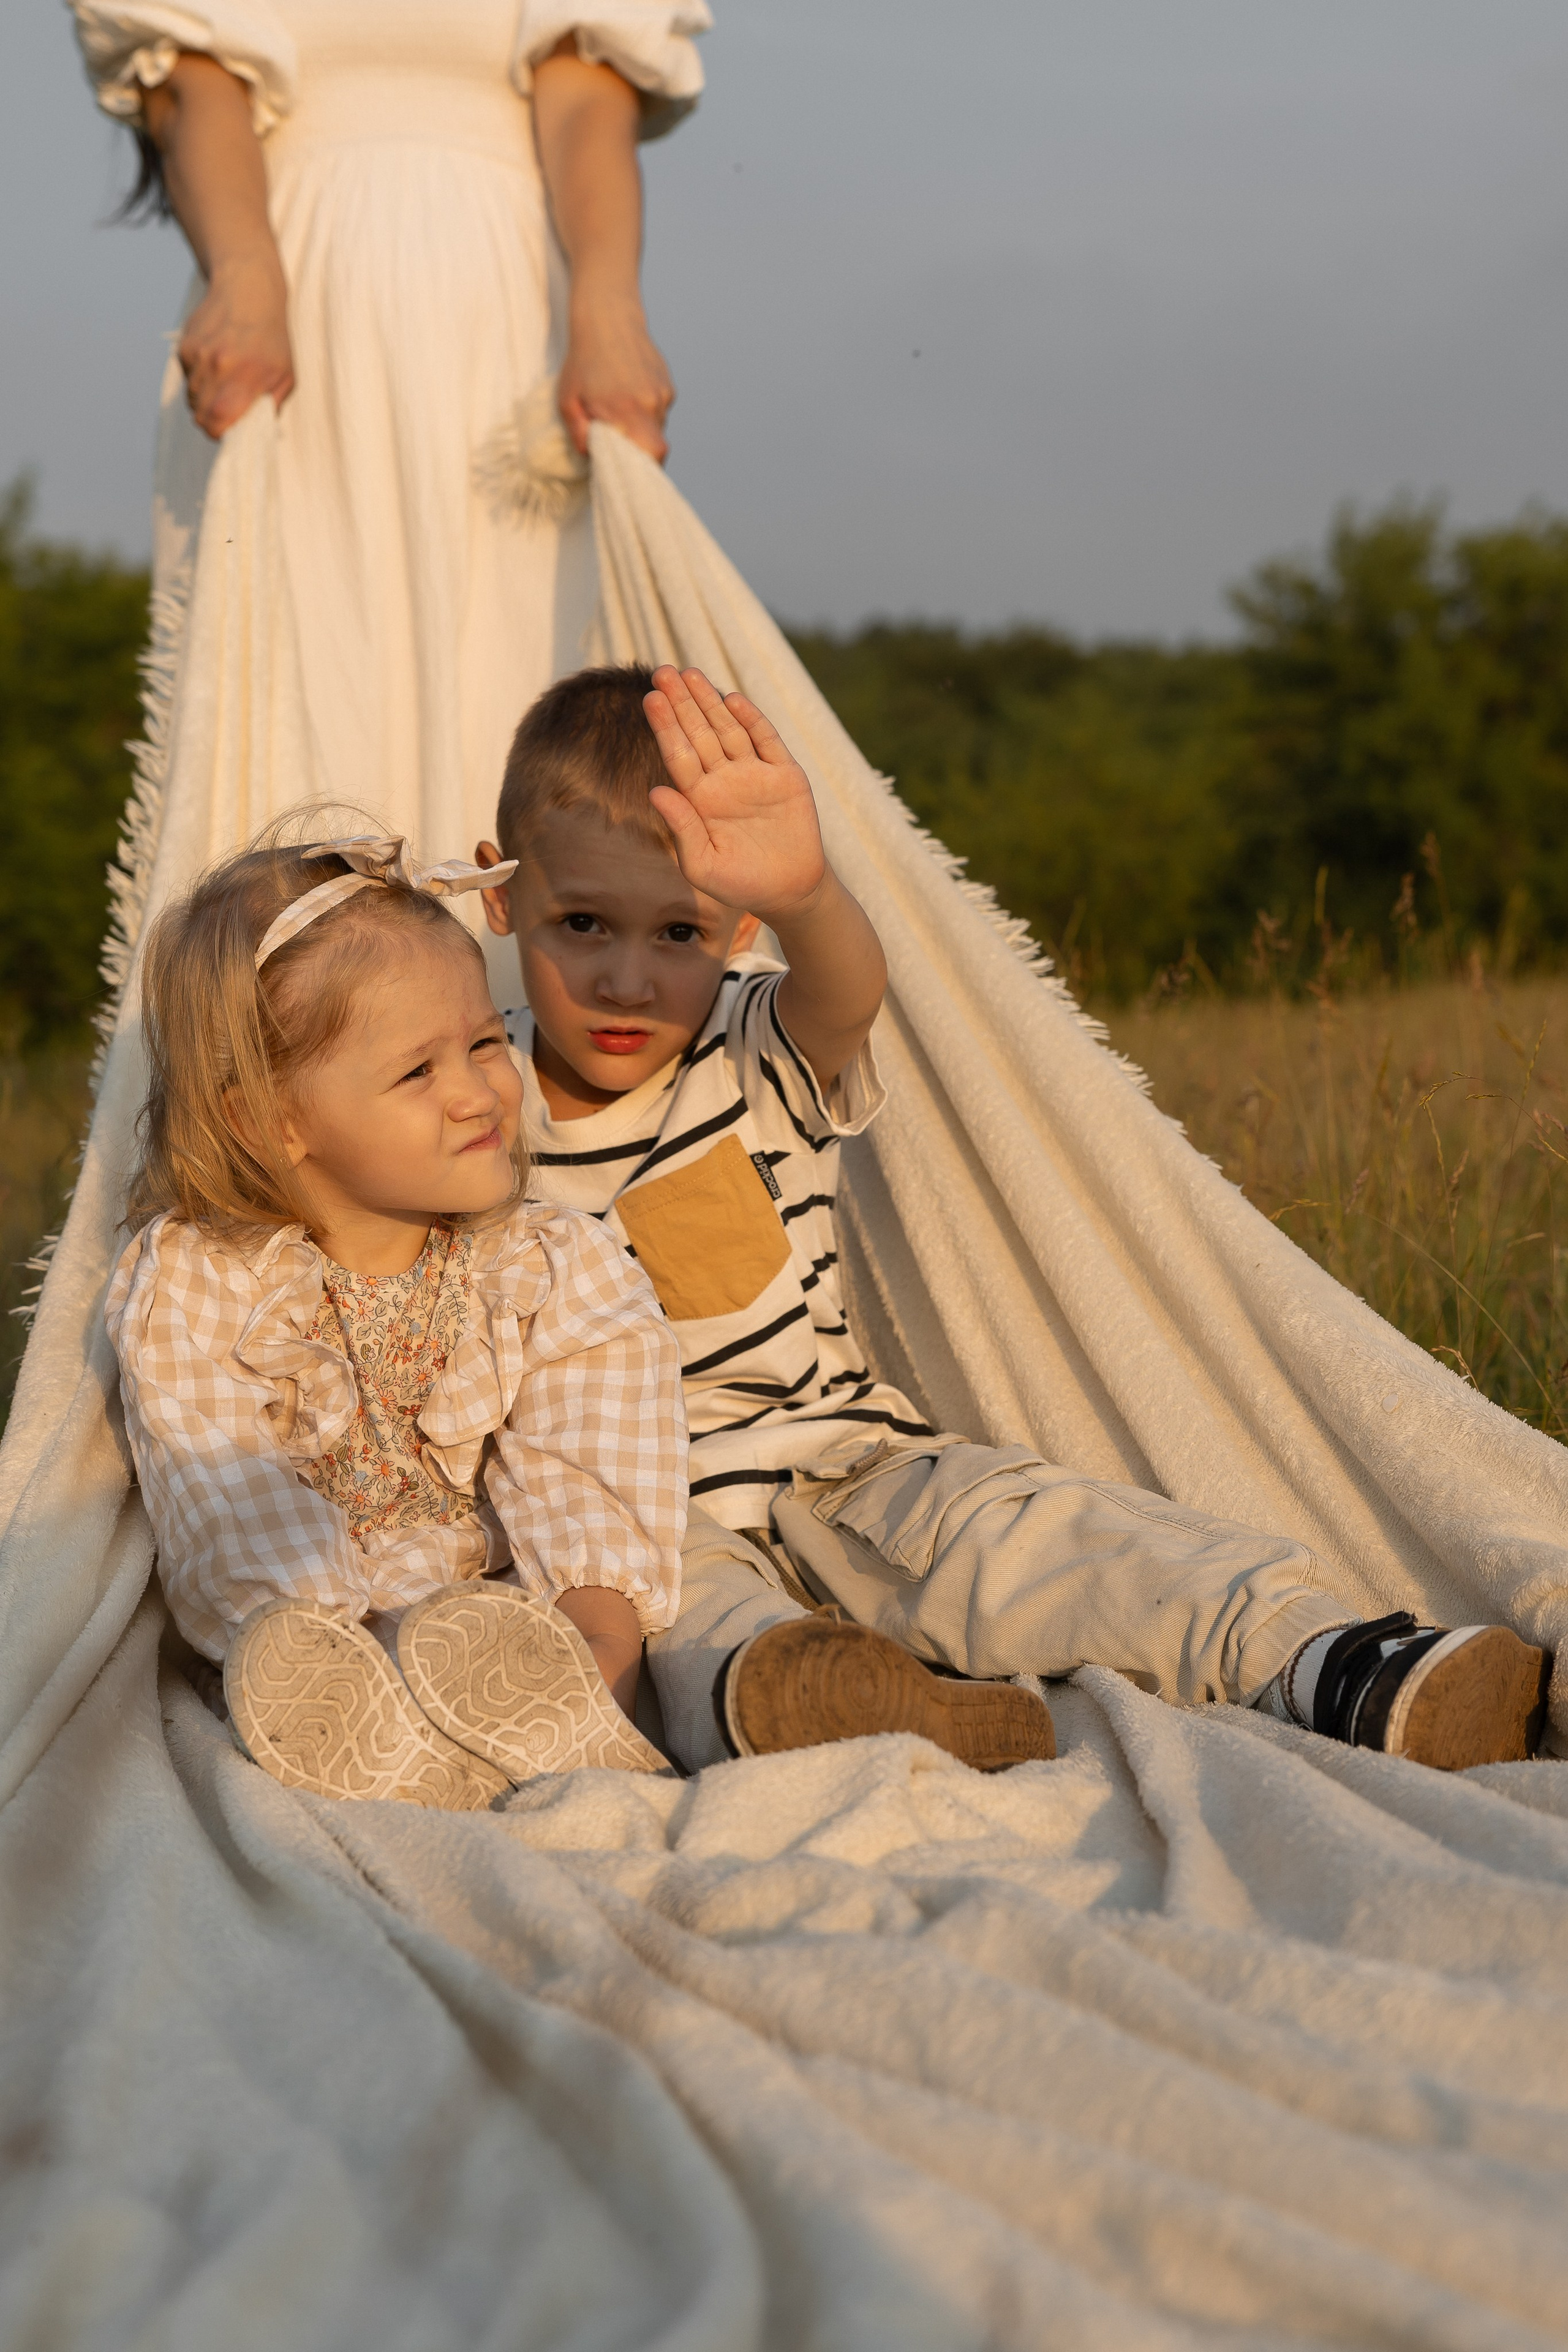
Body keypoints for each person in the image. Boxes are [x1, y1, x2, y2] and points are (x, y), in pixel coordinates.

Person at [476, 662, 1553, 1776]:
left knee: (1054, 1539)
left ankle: (1345, 1666)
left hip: (847, 1468)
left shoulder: (741, 1046)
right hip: (640, 1522)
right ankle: (842, 1708)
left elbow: (843, 993)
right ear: (499, 894)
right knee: (683, 1640)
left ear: (740, 930)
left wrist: (808, 898)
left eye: (679, 937)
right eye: (585, 923)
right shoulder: (467, 1101)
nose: (628, 979)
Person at [67, 0, 707, 943]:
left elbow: (586, 96)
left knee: (530, 707)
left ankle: (535, 1057)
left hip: (511, 332)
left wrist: (611, 310)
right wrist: (245, 274)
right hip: (285, 323)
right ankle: (286, 1056)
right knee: (293, 709)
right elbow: (191, 87)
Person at [105, 829, 688, 1807]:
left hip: (507, 1642)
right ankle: (386, 1751)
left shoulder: (546, 1261)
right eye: (418, 1072)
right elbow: (224, 1497)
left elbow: (591, 1466)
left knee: (553, 1636)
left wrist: (593, 1648)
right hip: (319, 1657)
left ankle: (575, 1727)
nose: (478, 1093)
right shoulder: (200, 1280)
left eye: (485, 1044)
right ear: (272, 1123)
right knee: (292, 1647)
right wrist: (325, 1648)